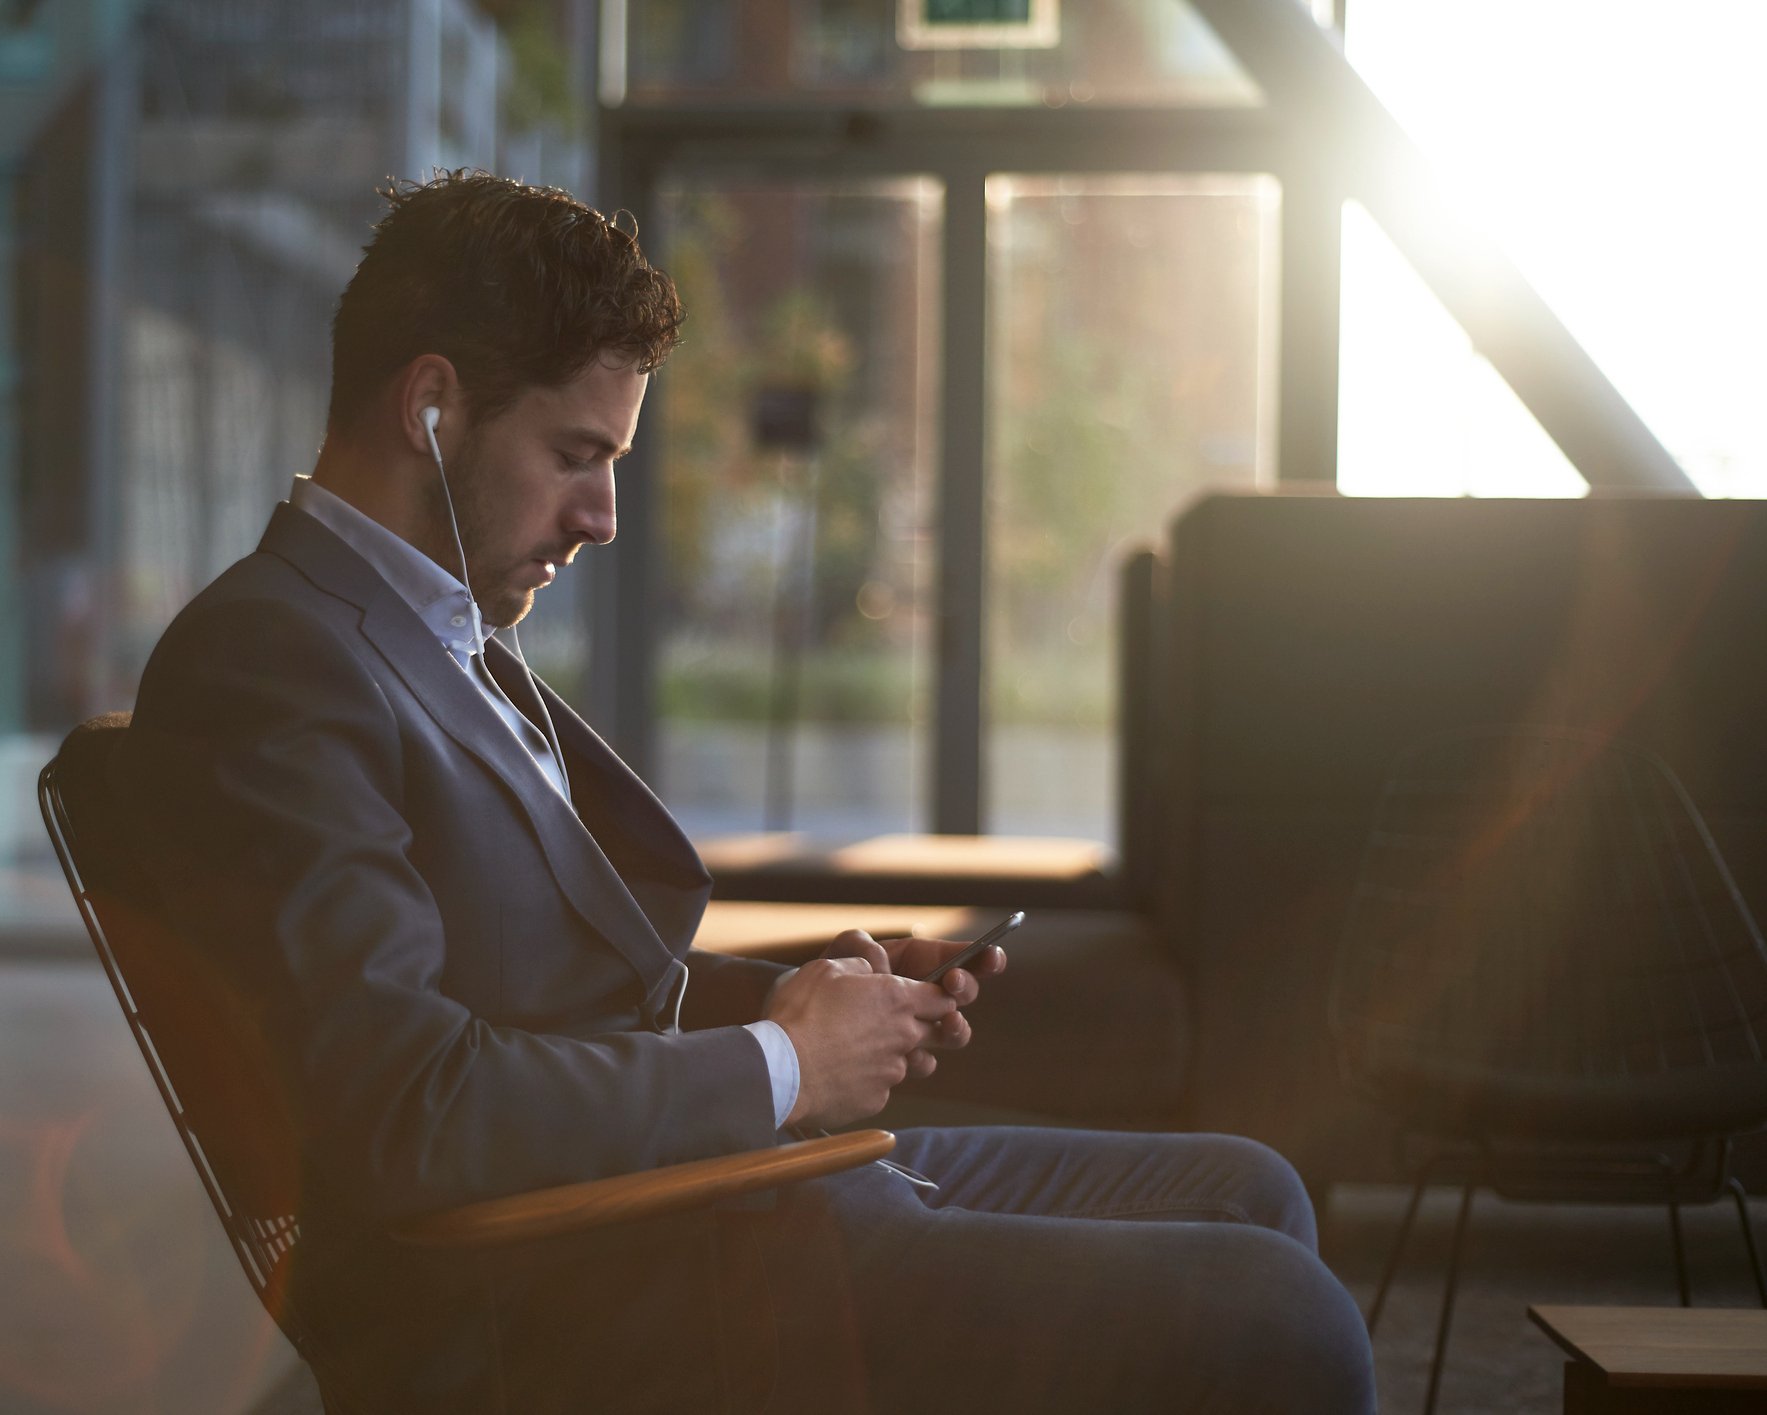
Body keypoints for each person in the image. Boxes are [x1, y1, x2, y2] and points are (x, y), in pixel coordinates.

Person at [117, 169, 1374, 1414]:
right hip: (592, 1288)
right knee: (1287, 1316)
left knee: (1250, 1187)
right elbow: (407, 1108)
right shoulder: (272, 662)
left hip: (702, 1198)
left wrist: (795, 1000)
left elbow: (557, 997)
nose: (604, 515)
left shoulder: (430, 634)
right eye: (576, 453)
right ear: (433, 407)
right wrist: (782, 1063)